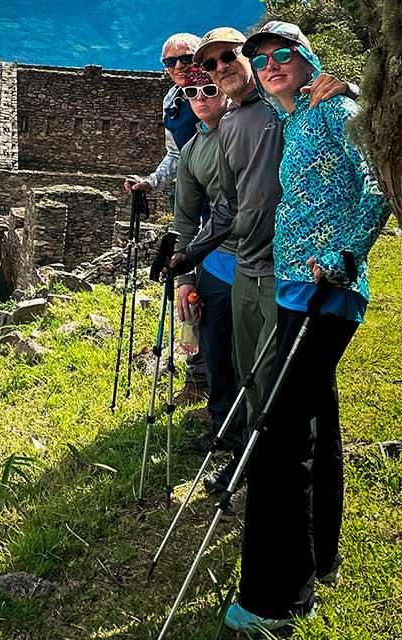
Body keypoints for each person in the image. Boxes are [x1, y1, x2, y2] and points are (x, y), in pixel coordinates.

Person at [222, 22, 390, 632]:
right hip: (296, 290)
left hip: (327, 289)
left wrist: (346, 255)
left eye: (282, 54)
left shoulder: (335, 109)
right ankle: (321, 559)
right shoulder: (295, 118)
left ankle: (275, 599)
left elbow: (379, 183)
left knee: (281, 436)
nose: (270, 64)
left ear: (305, 57)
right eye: (260, 57)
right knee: (315, 421)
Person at [167, 27, 357, 496]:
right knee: (250, 375)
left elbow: (339, 115)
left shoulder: (284, 107)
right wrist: (188, 256)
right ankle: (253, 469)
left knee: (287, 389)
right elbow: (230, 205)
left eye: (227, 57)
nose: (219, 69)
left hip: (290, 270)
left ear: (245, 59)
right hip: (246, 269)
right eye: (208, 65)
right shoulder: (231, 123)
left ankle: (286, 485)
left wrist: (347, 84)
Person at [123, 32, 210, 406]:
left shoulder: (218, 91)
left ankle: (216, 376)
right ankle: (198, 376)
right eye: (169, 62)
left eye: (186, 58)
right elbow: (174, 156)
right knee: (186, 290)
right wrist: (150, 181)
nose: (178, 67)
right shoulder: (173, 101)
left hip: (223, 204)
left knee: (214, 290)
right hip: (188, 205)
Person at [170, 67, 238, 452]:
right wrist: (185, 278)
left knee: (246, 355)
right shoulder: (192, 150)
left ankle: (249, 434)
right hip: (215, 262)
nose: (199, 97)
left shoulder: (248, 125)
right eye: (191, 92)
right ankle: (222, 428)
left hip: (259, 259)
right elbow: (185, 216)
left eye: (208, 89)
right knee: (214, 349)